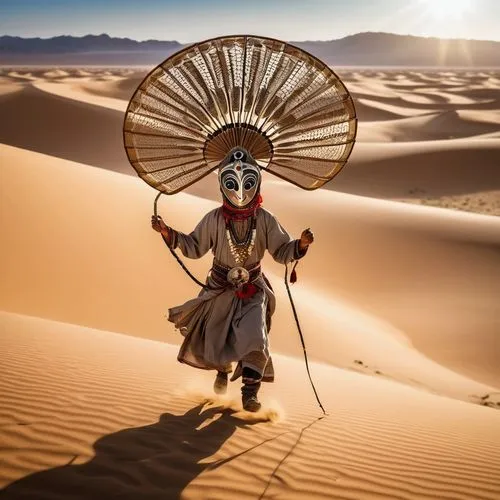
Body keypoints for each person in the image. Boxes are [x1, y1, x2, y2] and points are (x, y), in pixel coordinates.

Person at [151, 147, 314, 412]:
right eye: (231, 182)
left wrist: (301, 244)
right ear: (222, 185)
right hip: (219, 286)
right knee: (217, 338)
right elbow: (194, 246)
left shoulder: (265, 219)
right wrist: (168, 232)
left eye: (248, 181)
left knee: (255, 338)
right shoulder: (214, 218)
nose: (240, 189)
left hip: (253, 290)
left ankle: (250, 394)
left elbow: (282, 251)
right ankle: (222, 371)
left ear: (257, 182)